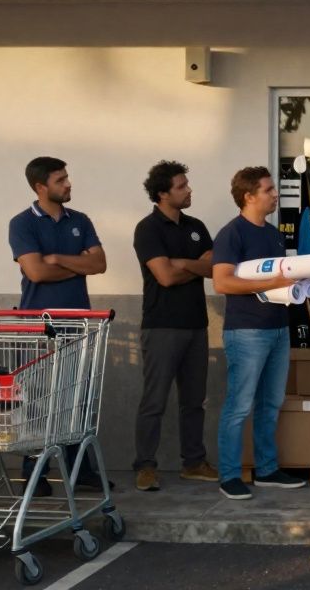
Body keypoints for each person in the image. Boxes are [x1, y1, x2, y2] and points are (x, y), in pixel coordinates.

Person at [7, 156, 108, 496]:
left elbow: (100, 263)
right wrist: (79, 265)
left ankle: (81, 471)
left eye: (67, 177)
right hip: (38, 325)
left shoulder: (79, 220)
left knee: (76, 398)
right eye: (61, 180)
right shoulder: (22, 224)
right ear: (41, 187)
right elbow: (35, 272)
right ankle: (35, 474)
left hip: (78, 321)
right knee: (37, 401)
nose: (68, 184)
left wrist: (59, 259)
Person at [211, 166, 307, 500]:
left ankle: (267, 470)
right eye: (268, 190)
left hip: (278, 328)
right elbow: (222, 281)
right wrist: (275, 282)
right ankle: (229, 476)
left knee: (271, 403)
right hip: (247, 331)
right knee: (239, 406)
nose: (275, 194)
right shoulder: (231, 234)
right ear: (249, 196)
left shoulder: (273, 233)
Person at [131, 161, 218, 491]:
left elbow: (214, 268)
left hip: (196, 324)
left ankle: (193, 462)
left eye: (187, 184)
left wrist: (183, 263)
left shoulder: (196, 226)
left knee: (194, 400)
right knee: (154, 400)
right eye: (181, 186)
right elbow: (165, 277)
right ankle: (145, 466)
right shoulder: (148, 229)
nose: (189, 190)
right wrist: (192, 266)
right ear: (163, 194)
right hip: (162, 325)